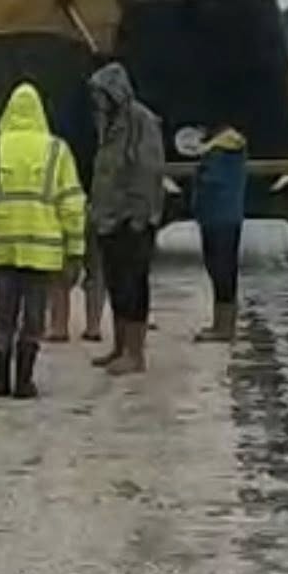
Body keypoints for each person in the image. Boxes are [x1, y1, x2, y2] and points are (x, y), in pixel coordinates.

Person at [0, 81, 86, 399]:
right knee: (33, 318)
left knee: (4, 316)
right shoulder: (57, 151)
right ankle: (24, 382)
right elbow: (72, 204)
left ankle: (1, 380)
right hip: (43, 252)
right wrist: (75, 250)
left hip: (2, 249)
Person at [88, 61, 165, 375]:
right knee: (117, 284)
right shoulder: (109, 122)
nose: (96, 100)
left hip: (131, 219)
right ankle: (119, 347)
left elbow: (148, 170)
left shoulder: (140, 121)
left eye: (100, 94)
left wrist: (138, 215)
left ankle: (135, 353)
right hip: (109, 218)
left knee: (134, 285)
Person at [46, 75, 105, 344]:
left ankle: (58, 326)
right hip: (100, 203)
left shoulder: (62, 128)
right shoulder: (109, 126)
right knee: (97, 270)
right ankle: (93, 327)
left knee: (61, 270)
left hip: (68, 203)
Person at [192, 121, 247, 342]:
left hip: (218, 217)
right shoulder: (230, 150)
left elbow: (209, 182)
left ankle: (223, 327)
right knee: (223, 271)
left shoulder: (219, 152)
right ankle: (223, 325)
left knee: (221, 271)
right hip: (225, 216)